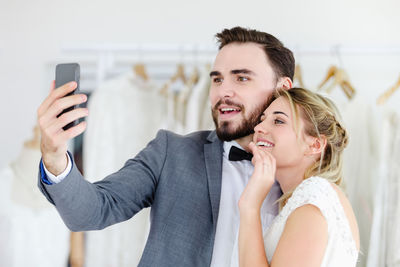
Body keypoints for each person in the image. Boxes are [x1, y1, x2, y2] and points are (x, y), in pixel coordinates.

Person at [36, 26, 294, 266]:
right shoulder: (171, 152)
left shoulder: (311, 171)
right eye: (217, 80)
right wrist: (54, 156)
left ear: (283, 88)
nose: (222, 92)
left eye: (241, 79)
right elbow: (91, 211)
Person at [238, 87, 360, 267]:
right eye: (262, 119)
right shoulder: (309, 196)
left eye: (278, 121)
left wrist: (250, 207)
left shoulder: (313, 197)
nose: (258, 127)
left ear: (315, 145)